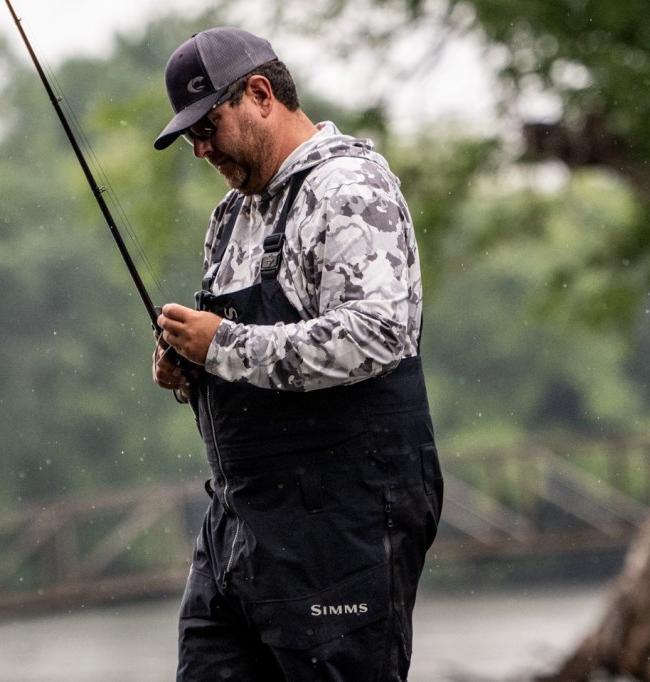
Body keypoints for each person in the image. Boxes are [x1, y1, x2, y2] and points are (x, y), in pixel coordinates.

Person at [150, 27, 444, 680]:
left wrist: (222, 344)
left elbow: (377, 334)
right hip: (238, 524)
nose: (201, 149)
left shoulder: (350, 188)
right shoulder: (229, 216)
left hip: (342, 526)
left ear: (260, 94)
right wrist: (189, 365)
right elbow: (240, 357)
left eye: (207, 126)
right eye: (190, 137)